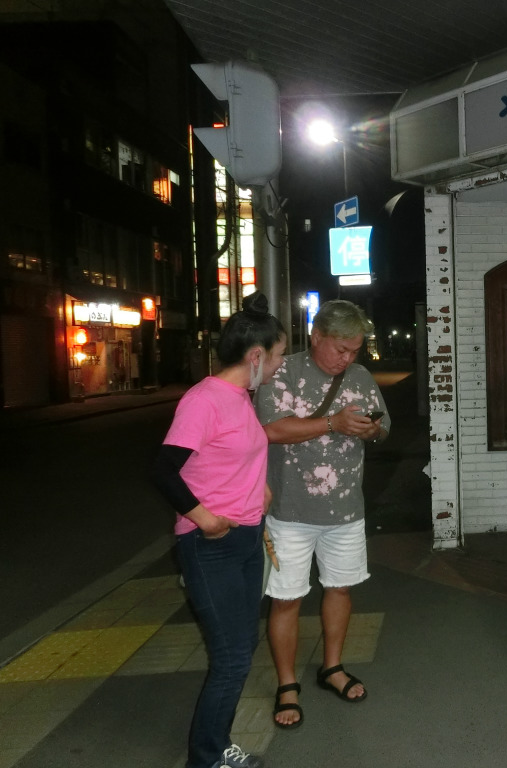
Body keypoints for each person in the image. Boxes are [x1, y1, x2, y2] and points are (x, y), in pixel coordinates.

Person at [152, 292, 286, 768]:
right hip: (213, 545)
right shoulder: (204, 400)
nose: (279, 366)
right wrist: (205, 519)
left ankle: (216, 747)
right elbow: (164, 470)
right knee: (231, 660)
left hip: (246, 539)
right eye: (278, 356)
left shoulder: (240, 397)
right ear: (256, 356)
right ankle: (206, 758)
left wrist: (259, 488)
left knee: (241, 649)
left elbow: (229, 457)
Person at [256, 299, 390, 729]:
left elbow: (384, 428)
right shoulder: (283, 372)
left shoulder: (360, 376)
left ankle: (332, 667)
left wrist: (371, 429)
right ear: (316, 336)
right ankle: (287, 683)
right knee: (286, 599)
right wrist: (334, 423)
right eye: (340, 349)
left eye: (354, 350)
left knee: (340, 589)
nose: (347, 358)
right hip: (290, 510)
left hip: (346, 510)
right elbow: (272, 430)